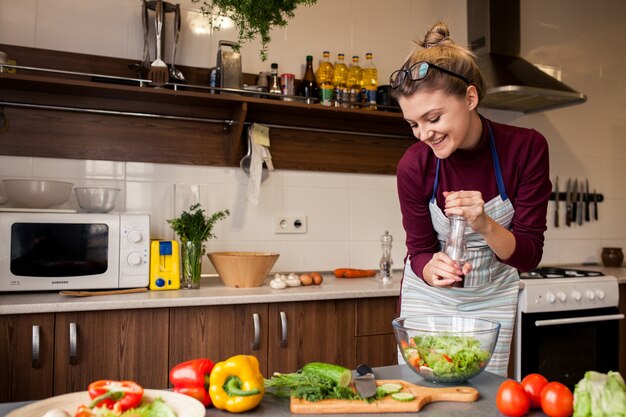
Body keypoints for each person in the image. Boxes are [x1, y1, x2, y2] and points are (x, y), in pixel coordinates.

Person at [391, 22, 551, 376]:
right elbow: (418, 251)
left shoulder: (526, 149)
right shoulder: (413, 165)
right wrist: (431, 269)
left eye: (433, 118)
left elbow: (529, 255)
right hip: (428, 299)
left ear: (470, 98)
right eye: (413, 124)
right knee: (422, 389)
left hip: (491, 297)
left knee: (479, 399)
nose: (424, 135)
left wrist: (484, 223)